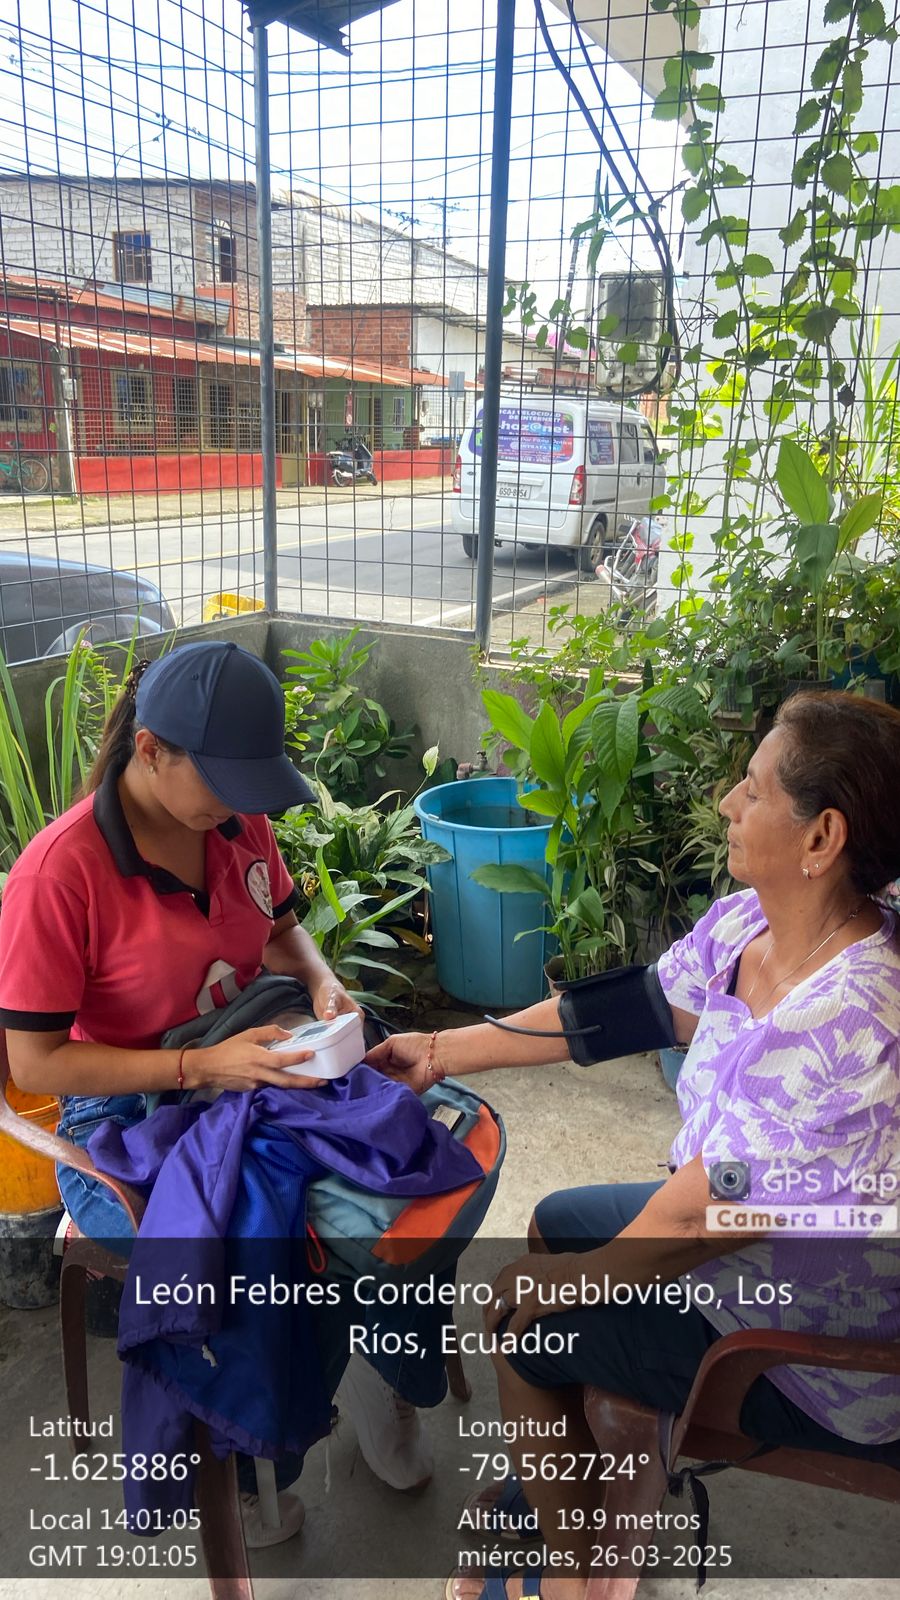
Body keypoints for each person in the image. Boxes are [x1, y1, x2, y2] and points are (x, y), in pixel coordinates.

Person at [366, 691, 900, 1600]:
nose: (728, 803)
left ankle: (571, 1579)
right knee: (554, 1223)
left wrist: (572, 1282)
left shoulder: (850, 1019)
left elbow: (704, 1216)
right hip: (737, 1252)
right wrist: (440, 1051)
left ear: (822, 837)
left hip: (803, 1343)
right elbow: (625, 1013)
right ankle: (568, 1487)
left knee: (519, 1320)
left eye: (753, 790)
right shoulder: (752, 927)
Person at [0, 638, 432, 1542]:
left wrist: (322, 981)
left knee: (407, 1163)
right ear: (150, 749)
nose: (238, 808)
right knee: (255, 1245)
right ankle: (247, 1463)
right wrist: (198, 1068)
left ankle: (379, 1370)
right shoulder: (61, 872)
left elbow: (280, 932)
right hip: (121, 1118)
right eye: (224, 783)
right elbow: (34, 1065)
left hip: (254, 1053)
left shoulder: (238, 823)